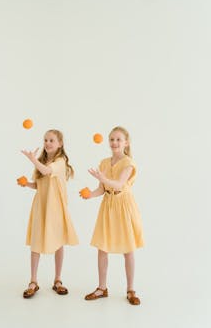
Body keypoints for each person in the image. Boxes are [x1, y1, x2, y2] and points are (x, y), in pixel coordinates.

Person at [81, 126, 144, 305]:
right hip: (108, 207)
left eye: (118, 139)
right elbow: (102, 189)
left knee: (128, 249)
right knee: (102, 248)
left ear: (126, 142)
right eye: (112, 139)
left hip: (123, 207)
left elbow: (118, 184)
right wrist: (89, 194)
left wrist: (102, 178)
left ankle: (131, 290)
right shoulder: (103, 163)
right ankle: (102, 288)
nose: (114, 143)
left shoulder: (129, 163)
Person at [18, 129, 79, 298]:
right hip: (41, 206)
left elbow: (47, 171)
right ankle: (33, 281)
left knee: (58, 242)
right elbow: (39, 184)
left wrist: (32, 159)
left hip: (56, 207)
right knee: (36, 241)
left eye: (52, 140)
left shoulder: (60, 162)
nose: (47, 143)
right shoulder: (41, 162)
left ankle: (58, 280)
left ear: (60, 144)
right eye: (45, 140)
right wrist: (27, 184)